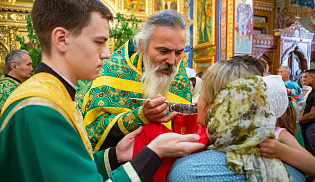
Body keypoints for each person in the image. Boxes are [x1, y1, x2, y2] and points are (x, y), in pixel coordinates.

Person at [0, 1, 204, 181]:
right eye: (99, 42)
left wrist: (115, 154)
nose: (107, 54)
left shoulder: (52, 94)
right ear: (62, 39)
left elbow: (74, 167)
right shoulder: (41, 108)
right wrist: (152, 153)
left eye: (179, 52)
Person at [168, 60, 305, 181]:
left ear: (215, 107)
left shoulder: (188, 172)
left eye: (202, 94)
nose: (197, 102)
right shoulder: (294, 171)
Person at [81, 9, 192, 151]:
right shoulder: (112, 71)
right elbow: (92, 134)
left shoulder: (180, 77)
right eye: (163, 51)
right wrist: (140, 116)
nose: (172, 61)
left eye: (178, 53)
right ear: (142, 46)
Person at [299, 69, 315, 156]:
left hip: (312, 126)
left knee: (313, 152)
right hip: (307, 125)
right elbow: (306, 108)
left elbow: (312, 115)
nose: (304, 79)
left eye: (306, 77)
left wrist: (299, 121)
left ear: (313, 78)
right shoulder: (313, 91)